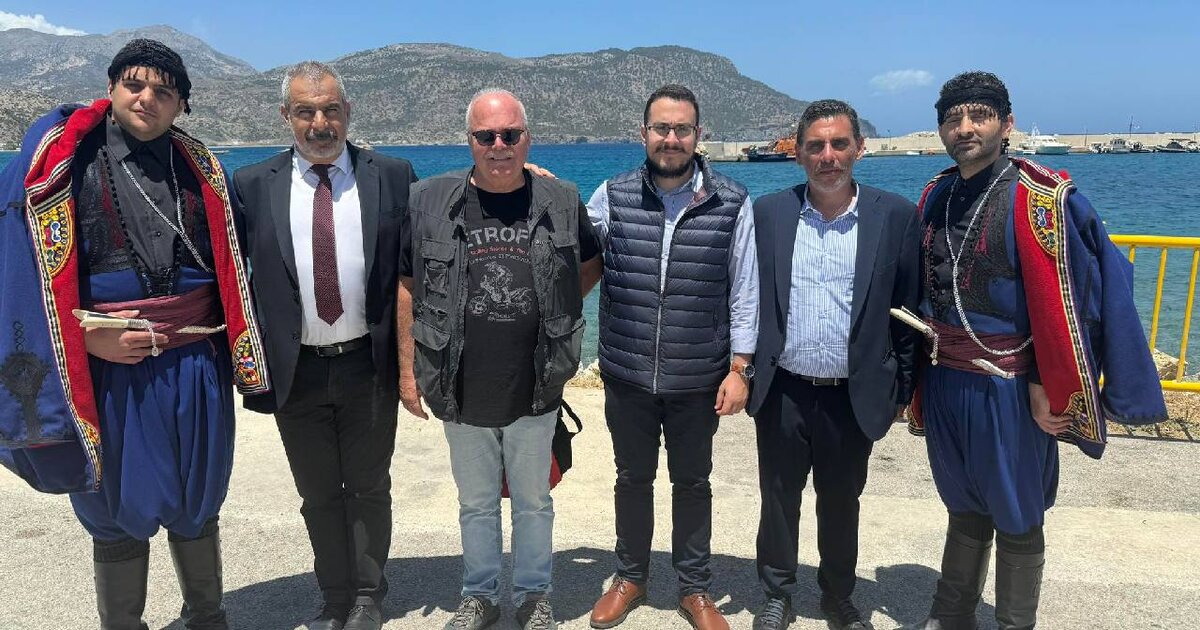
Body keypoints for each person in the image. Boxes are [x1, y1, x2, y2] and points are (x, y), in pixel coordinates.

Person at [0, 39, 271, 629]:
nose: (147, 97)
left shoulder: (203, 169)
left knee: (199, 493)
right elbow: (18, 271)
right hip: (106, 368)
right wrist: (83, 342)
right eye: (135, 84)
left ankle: (208, 618)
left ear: (182, 105)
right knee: (113, 503)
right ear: (111, 87)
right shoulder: (58, 165)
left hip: (195, 360)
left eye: (164, 91)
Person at [905, 71, 1167, 630]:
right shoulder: (935, 194)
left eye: (979, 115)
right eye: (952, 119)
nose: (965, 128)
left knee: (1017, 507)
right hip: (945, 378)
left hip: (1012, 386)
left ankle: (1014, 624)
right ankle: (951, 617)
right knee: (962, 501)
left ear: (1007, 123)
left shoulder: (1042, 198)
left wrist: (1047, 382)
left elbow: (1078, 299)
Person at [396, 88, 601, 630]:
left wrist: (556, 314)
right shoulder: (428, 202)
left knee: (534, 501)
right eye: (486, 136)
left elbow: (591, 262)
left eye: (510, 134)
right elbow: (407, 284)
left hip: (536, 381)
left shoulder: (561, 199)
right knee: (476, 503)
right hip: (459, 382)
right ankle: (480, 596)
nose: (499, 145)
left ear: (527, 139)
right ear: (469, 141)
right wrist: (407, 371)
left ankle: (534, 596)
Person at [233, 61, 416, 630]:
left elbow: (427, 249)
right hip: (296, 369)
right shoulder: (251, 185)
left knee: (369, 487)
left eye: (331, 110)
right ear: (285, 116)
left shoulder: (393, 175)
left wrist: (528, 177)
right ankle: (334, 597)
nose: (320, 123)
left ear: (347, 112)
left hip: (367, 365)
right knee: (317, 493)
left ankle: (368, 596)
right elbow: (225, 270)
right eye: (306, 111)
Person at [584, 84, 757, 630]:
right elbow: (571, 245)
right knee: (631, 479)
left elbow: (744, 290)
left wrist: (740, 368)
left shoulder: (731, 202)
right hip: (627, 372)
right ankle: (630, 577)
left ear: (697, 135)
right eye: (661, 128)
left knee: (693, 483)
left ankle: (695, 588)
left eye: (682, 129)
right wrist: (536, 185)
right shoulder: (611, 195)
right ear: (644, 134)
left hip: (698, 376)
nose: (671, 138)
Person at [745, 99, 921, 630]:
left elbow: (909, 310)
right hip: (784, 388)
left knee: (842, 500)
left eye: (839, 144)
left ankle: (838, 594)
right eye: (815, 146)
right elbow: (744, 296)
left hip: (853, 392)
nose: (828, 156)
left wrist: (902, 388)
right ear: (798, 153)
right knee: (778, 498)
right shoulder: (768, 214)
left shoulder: (895, 216)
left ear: (859, 149)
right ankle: (777, 594)